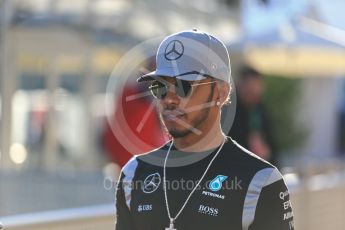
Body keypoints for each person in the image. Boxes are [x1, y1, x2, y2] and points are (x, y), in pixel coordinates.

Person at [115, 30, 294, 230]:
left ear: (221, 92)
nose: (169, 99)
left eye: (184, 86)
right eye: (160, 87)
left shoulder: (261, 182)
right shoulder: (134, 174)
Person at [229, 66, 277, 165]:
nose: (252, 91)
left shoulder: (261, 110)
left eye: (255, 86)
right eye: (248, 87)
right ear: (239, 86)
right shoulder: (229, 113)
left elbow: (272, 146)